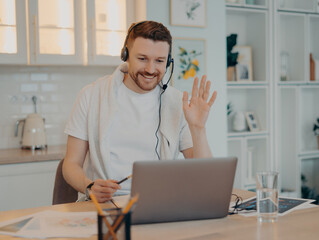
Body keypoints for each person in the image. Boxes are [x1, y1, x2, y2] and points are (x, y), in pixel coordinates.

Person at [62, 21, 217, 203]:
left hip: (159, 203)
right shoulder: (92, 95)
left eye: (159, 61)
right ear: (126, 55)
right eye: (142, 59)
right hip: (105, 204)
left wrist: (198, 128)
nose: (151, 69)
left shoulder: (177, 102)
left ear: (168, 62)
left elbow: (205, 177)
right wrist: (89, 186)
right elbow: (71, 164)